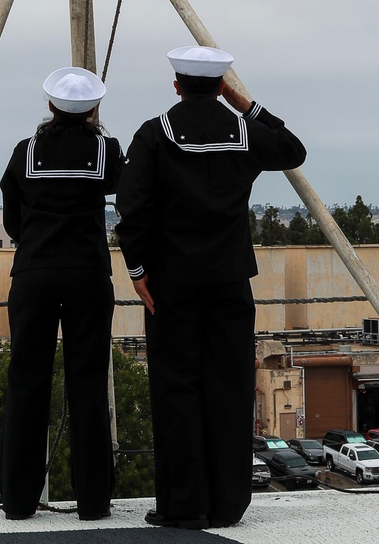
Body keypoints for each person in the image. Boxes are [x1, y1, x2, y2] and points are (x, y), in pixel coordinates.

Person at [116, 44, 306, 529]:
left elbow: (130, 208)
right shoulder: (244, 133)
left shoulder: (154, 134)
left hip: (170, 282)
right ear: (221, 85)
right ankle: (228, 503)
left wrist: (138, 272)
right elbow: (292, 149)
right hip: (229, 281)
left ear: (176, 84)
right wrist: (245, 105)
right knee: (231, 387)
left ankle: (185, 503)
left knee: (177, 388)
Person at [0, 66, 123, 521]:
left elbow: (13, 218)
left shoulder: (24, 151)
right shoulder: (106, 150)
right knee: (87, 384)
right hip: (88, 274)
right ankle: (93, 502)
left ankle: (17, 500)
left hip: (33, 273)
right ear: (93, 109)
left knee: (27, 381)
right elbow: (123, 194)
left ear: (50, 106)